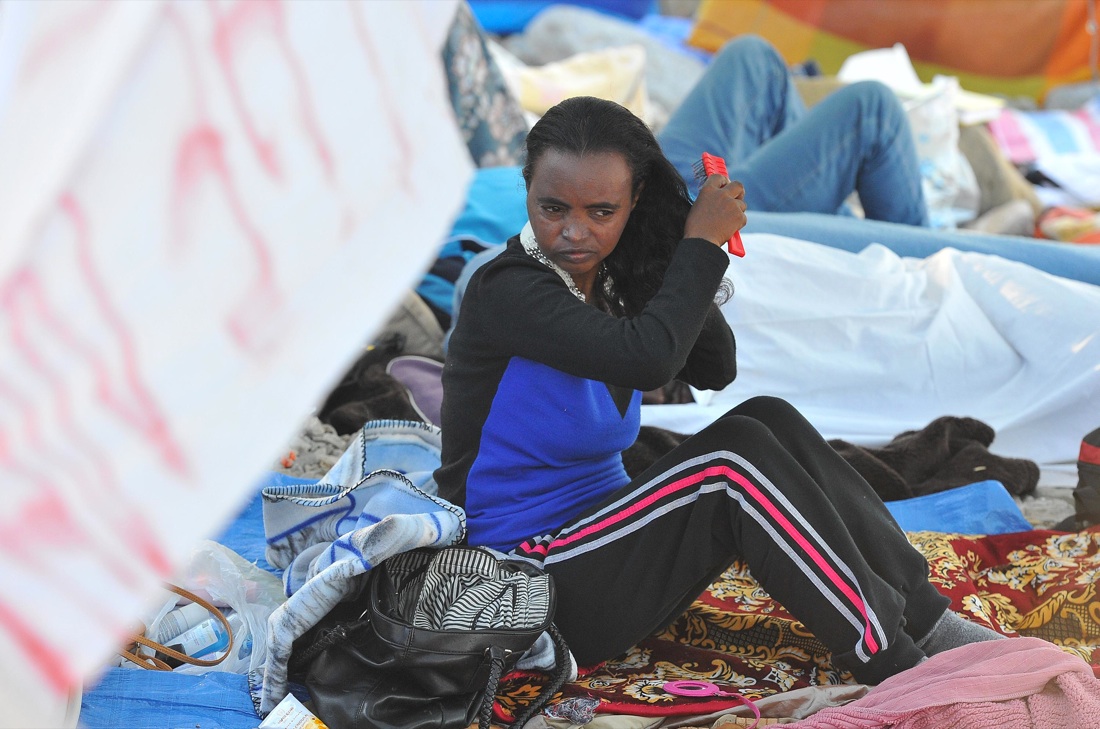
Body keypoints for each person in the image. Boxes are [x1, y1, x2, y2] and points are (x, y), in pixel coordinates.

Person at [433, 95, 1003, 686]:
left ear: (633, 204)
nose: (574, 231)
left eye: (601, 211)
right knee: (731, 463)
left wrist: (667, 244)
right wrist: (700, 246)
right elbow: (650, 358)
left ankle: (928, 619)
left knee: (766, 418)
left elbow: (715, 368)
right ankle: (894, 664)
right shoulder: (508, 291)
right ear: (527, 191)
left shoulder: (606, 275)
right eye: (552, 207)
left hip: (602, 545)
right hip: (522, 584)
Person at [656, 35, 929, 226]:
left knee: (752, 55)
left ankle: (832, 208)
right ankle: (926, 256)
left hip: (665, 194)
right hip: (697, 228)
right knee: (872, 112)